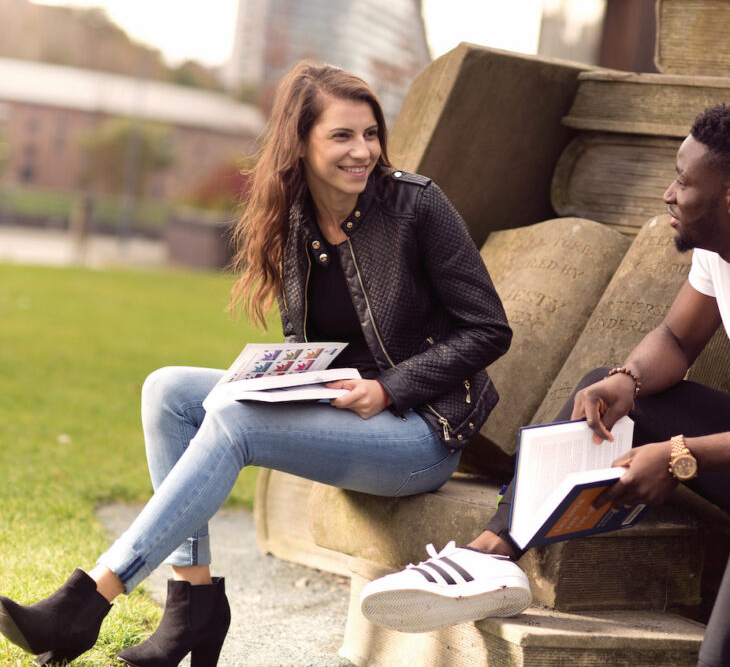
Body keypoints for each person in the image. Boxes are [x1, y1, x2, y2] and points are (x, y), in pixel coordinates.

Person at [359, 104, 730, 666]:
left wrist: (680, 456)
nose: (669, 192)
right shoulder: (729, 242)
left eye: (684, 181)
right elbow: (677, 344)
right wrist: (626, 379)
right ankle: (493, 553)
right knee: (608, 389)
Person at [0, 61, 511, 667]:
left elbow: (488, 328)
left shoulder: (416, 207)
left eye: (370, 133)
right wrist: (283, 377)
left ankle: (88, 601)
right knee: (167, 390)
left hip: (421, 434)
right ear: (300, 142)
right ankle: (194, 605)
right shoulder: (297, 216)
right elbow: (323, 342)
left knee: (235, 422)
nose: (364, 151)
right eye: (342, 136)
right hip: (342, 409)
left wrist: (389, 388)